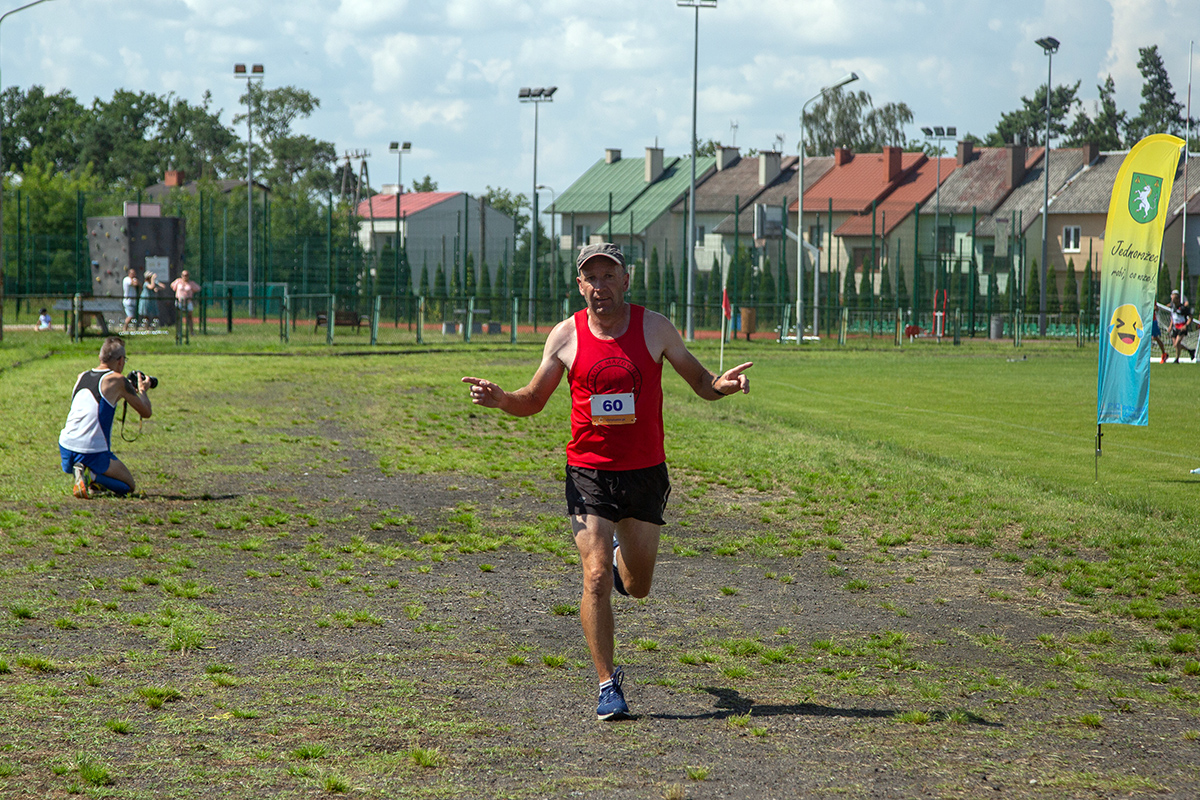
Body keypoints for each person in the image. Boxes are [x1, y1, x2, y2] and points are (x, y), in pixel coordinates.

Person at [462, 242, 751, 721]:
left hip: (644, 472)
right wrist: (502, 399)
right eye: (591, 278)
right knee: (594, 576)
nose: (600, 286)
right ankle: (606, 685)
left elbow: (701, 382)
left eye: (609, 275)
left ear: (625, 280)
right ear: (580, 285)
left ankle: (622, 560)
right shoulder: (566, 335)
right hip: (589, 472)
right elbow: (533, 399)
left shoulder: (654, 328)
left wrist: (723, 386)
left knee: (638, 586)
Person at [58, 336, 153, 498]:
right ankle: (91, 476)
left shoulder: (82, 376)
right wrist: (142, 389)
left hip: (66, 446)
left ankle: (84, 473)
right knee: (128, 486)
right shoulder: (118, 379)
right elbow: (146, 412)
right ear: (120, 360)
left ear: (100, 357)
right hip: (91, 450)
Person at [1161, 290, 1195, 363]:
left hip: (1182, 327)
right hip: (1175, 327)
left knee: (1177, 343)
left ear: (1177, 299)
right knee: (1175, 345)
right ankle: (1190, 351)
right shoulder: (1173, 307)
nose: (1172, 300)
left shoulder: (1183, 308)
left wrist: (1186, 325)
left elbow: (1190, 317)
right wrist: (1170, 326)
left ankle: (1177, 359)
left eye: (1174, 298)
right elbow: (1173, 317)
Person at [170, 269, 200, 336]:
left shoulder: (191, 283)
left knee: (189, 317)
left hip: (188, 302)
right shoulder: (178, 282)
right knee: (179, 317)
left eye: (186, 275)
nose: (185, 277)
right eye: (183, 275)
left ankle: (191, 332)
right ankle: (179, 332)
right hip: (179, 301)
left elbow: (198, 288)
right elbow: (172, 286)